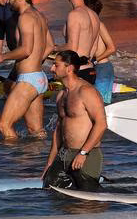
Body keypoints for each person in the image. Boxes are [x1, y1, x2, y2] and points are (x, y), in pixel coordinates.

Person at [0, 0, 55, 139]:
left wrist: (3, 56)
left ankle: (12, 162)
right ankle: (36, 162)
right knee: (36, 131)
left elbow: (26, 49)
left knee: (4, 125)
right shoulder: (39, 16)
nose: (9, 1)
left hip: (28, 80)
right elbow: (50, 45)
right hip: (39, 78)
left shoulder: (25, 17)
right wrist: (36, 61)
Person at [42, 50, 107, 191]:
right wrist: (49, 162)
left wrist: (83, 153)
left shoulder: (86, 91)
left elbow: (101, 124)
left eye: (56, 65)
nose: (51, 68)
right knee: (49, 187)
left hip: (86, 154)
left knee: (88, 199)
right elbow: (58, 130)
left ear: (69, 68)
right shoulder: (61, 95)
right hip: (64, 153)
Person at [60, 0, 116, 104]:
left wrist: (53, 48)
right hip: (91, 69)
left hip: (79, 70)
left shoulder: (74, 15)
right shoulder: (94, 16)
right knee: (96, 107)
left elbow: (72, 48)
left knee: (71, 111)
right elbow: (94, 45)